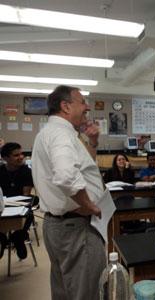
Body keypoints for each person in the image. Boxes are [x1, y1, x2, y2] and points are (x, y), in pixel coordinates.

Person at [32, 85, 109, 299]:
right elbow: (66, 177)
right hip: (76, 227)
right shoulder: (60, 134)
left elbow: (85, 168)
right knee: (86, 291)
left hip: (57, 225)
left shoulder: (52, 132)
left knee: (65, 289)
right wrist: (89, 205)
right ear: (65, 106)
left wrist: (93, 142)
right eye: (82, 102)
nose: (88, 106)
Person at [0, 142, 34, 260]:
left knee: (28, 215)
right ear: (5, 158)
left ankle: (19, 238)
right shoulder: (1, 171)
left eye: (21, 154)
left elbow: (26, 195)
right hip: (2, 206)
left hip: (20, 206)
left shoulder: (26, 171)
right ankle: (2, 239)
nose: (21, 157)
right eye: (16, 155)